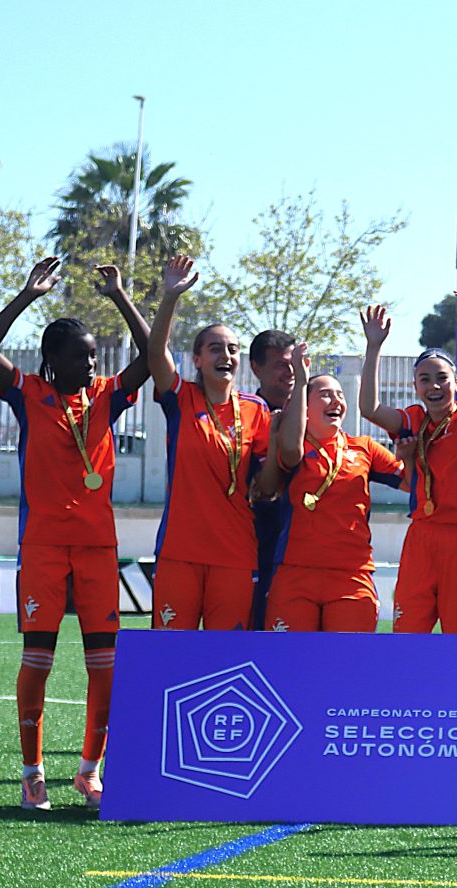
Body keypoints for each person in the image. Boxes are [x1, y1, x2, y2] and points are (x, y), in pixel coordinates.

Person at [0, 257, 149, 810]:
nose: (92, 363)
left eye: (95, 355)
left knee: (106, 666)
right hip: (44, 548)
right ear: (53, 360)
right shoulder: (27, 393)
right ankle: (32, 775)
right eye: (81, 355)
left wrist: (122, 297)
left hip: (99, 548)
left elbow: (152, 358)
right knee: (38, 662)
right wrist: (27, 296)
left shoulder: (106, 397)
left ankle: (90, 772)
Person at [359, 290, 457, 633]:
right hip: (422, 536)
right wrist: (374, 347)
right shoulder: (413, 419)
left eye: (442, 378)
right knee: (408, 632)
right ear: (415, 386)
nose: (434, 386)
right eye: (425, 379)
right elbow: (369, 408)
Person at [139, 255, 272, 631]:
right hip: (180, 553)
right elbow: (154, 355)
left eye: (232, 349)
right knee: (169, 655)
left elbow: (267, 479)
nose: (225, 355)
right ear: (196, 359)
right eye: (214, 348)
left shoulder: (256, 409)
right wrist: (170, 298)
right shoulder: (181, 399)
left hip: (235, 554)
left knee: (224, 661)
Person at [265, 348, 407, 632]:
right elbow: (278, 471)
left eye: (340, 394)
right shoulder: (292, 445)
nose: (337, 400)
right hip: (295, 574)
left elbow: (411, 483)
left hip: (351, 575)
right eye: (326, 394)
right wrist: (301, 380)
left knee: (349, 667)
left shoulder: (364, 447)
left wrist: (412, 456)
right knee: (289, 665)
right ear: (304, 406)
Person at [246, 326, 299, 629]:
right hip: (259, 543)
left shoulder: (310, 414)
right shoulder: (246, 415)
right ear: (256, 367)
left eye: (293, 363)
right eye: (281, 364)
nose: (289, 372)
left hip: (302, 547)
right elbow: (261, 488)